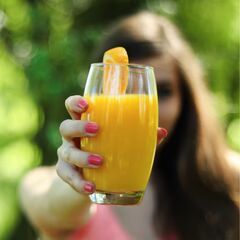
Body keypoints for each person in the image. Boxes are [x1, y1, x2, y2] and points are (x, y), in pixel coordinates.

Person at [19, 11, 239, 240]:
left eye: (162, 91)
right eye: (123, 89)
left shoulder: (229, 179)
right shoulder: (40, 183)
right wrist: (82, 183)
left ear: (186, 100)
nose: (144, 108)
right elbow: (51, 211)